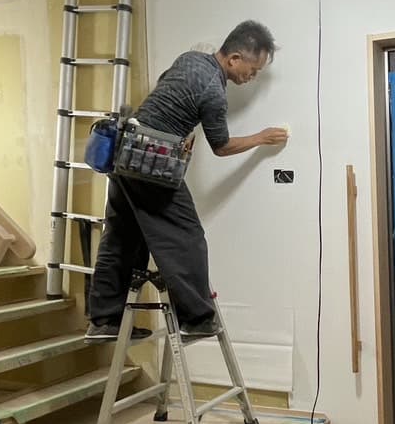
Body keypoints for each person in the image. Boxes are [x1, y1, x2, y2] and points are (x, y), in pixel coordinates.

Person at [85, 20, 286, 341]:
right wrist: (260, 138)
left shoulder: (190, 59)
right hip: (150, 161)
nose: (253, 76)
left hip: (125, 152)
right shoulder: (214, 92)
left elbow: (167, 90)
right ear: (234, 58)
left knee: (121, 237)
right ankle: (197, 318)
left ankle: (104, 320)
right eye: (253, 69)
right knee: (186, 237)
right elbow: (221, 146)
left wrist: (180, 131)